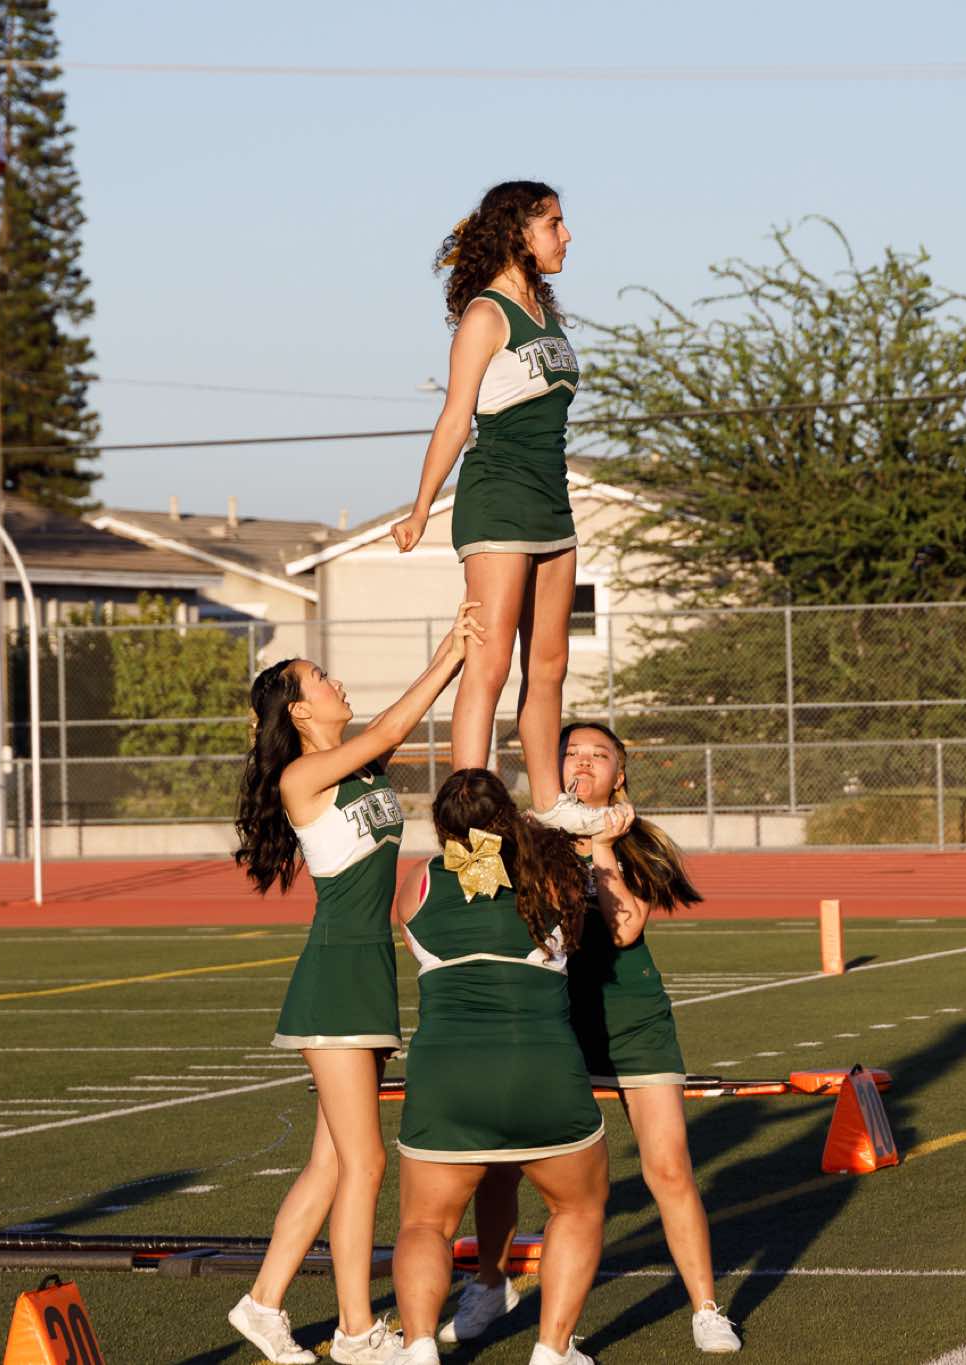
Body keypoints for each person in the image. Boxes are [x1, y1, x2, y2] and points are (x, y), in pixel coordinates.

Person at [225, 602, 483, 1365]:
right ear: (299, 711)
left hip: (369, 974)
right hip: (335, 979)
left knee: (335, 1162)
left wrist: (464, 660)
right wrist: (448, 654)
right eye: (321, 678)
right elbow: (392, 726)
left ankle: (262, 1302)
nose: (336, 683)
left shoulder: (360, 769)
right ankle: (355, 1330)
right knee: (366, 1162)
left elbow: (397, 734)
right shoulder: (304, 776)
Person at [442, 722, 742, 1355]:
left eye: (597, 755)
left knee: (668, 1167)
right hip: (548, 1022)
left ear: (619, 774)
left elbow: (625, 930)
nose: (582, 763)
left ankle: (706, 1307)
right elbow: (465, 885)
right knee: (501, 1166)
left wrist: (602, 844)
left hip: (633, 1018)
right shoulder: (525, 836)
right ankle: (490, 1287)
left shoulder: (639, 841)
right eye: (570, 753)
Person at [390, 180, 602, 838]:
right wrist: (421, 508)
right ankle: (472, 821)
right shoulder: (487, 315)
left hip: (550, 501)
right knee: (489, 662)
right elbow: (456, 418)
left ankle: (550, 801)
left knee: (550, 664)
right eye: (554, 223)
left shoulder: (545, 312)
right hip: (498, 496)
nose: (566, 235)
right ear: (518, 232)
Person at [387, 767, 609, 1365]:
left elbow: (415, 933)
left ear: (441, 827)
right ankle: (552, 1350)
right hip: (541, 1065)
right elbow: (580, 934)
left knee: (424, 1226)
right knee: (577, 1207)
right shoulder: (553, 873)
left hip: (446, 1075)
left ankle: (418, 1347)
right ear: (508, 814)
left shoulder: (419, 882)